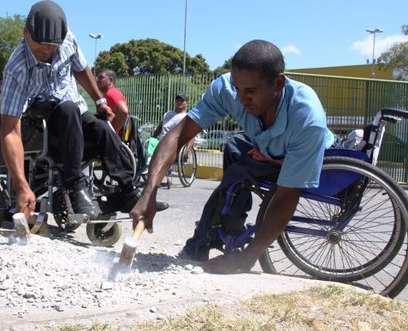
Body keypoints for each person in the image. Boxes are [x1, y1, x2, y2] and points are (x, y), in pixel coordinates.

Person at [131, 39, 334, 274]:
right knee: (235, 146)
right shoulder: (227, 88)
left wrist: (247, 258)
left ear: (278, 83)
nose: (240, 99)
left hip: (304, 154)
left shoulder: (306, 117)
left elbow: (286, 196)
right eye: (237, 88)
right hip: (266, 147)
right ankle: (230, 224)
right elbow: (178, 135)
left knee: (238, 172)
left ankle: (203, 240)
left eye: (251, 91)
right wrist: (150, 190)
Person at [0, 0, 167, 218]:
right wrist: (22, 186)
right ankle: (75, 188)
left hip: (72, 115)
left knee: (101, 128)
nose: (47, 51)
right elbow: (10, 130)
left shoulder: (67, 39)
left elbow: (81, 69)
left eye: (52, 46)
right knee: (68, 108)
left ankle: (128, 191)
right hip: (40, 123)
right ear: (26, 33)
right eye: (41, 45)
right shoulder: (16, 69)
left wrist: (99, 100)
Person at [96, 68, 128, 136]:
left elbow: (123, 111)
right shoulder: (107, 95)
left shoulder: (111, 93)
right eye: (97, 78)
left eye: (101, 77)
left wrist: (113, 134)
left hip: (114, 141)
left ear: (110, 80)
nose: (97, 80)